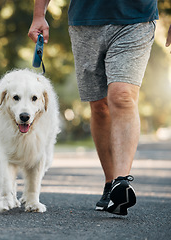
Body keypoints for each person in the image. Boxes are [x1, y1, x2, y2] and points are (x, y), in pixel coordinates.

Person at [29, 0, 162, 215]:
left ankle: (121, 182)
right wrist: (38, 14)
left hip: (136, 18)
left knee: (122, 96)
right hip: (85, 20)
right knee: (99, 105)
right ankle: (111, 184)